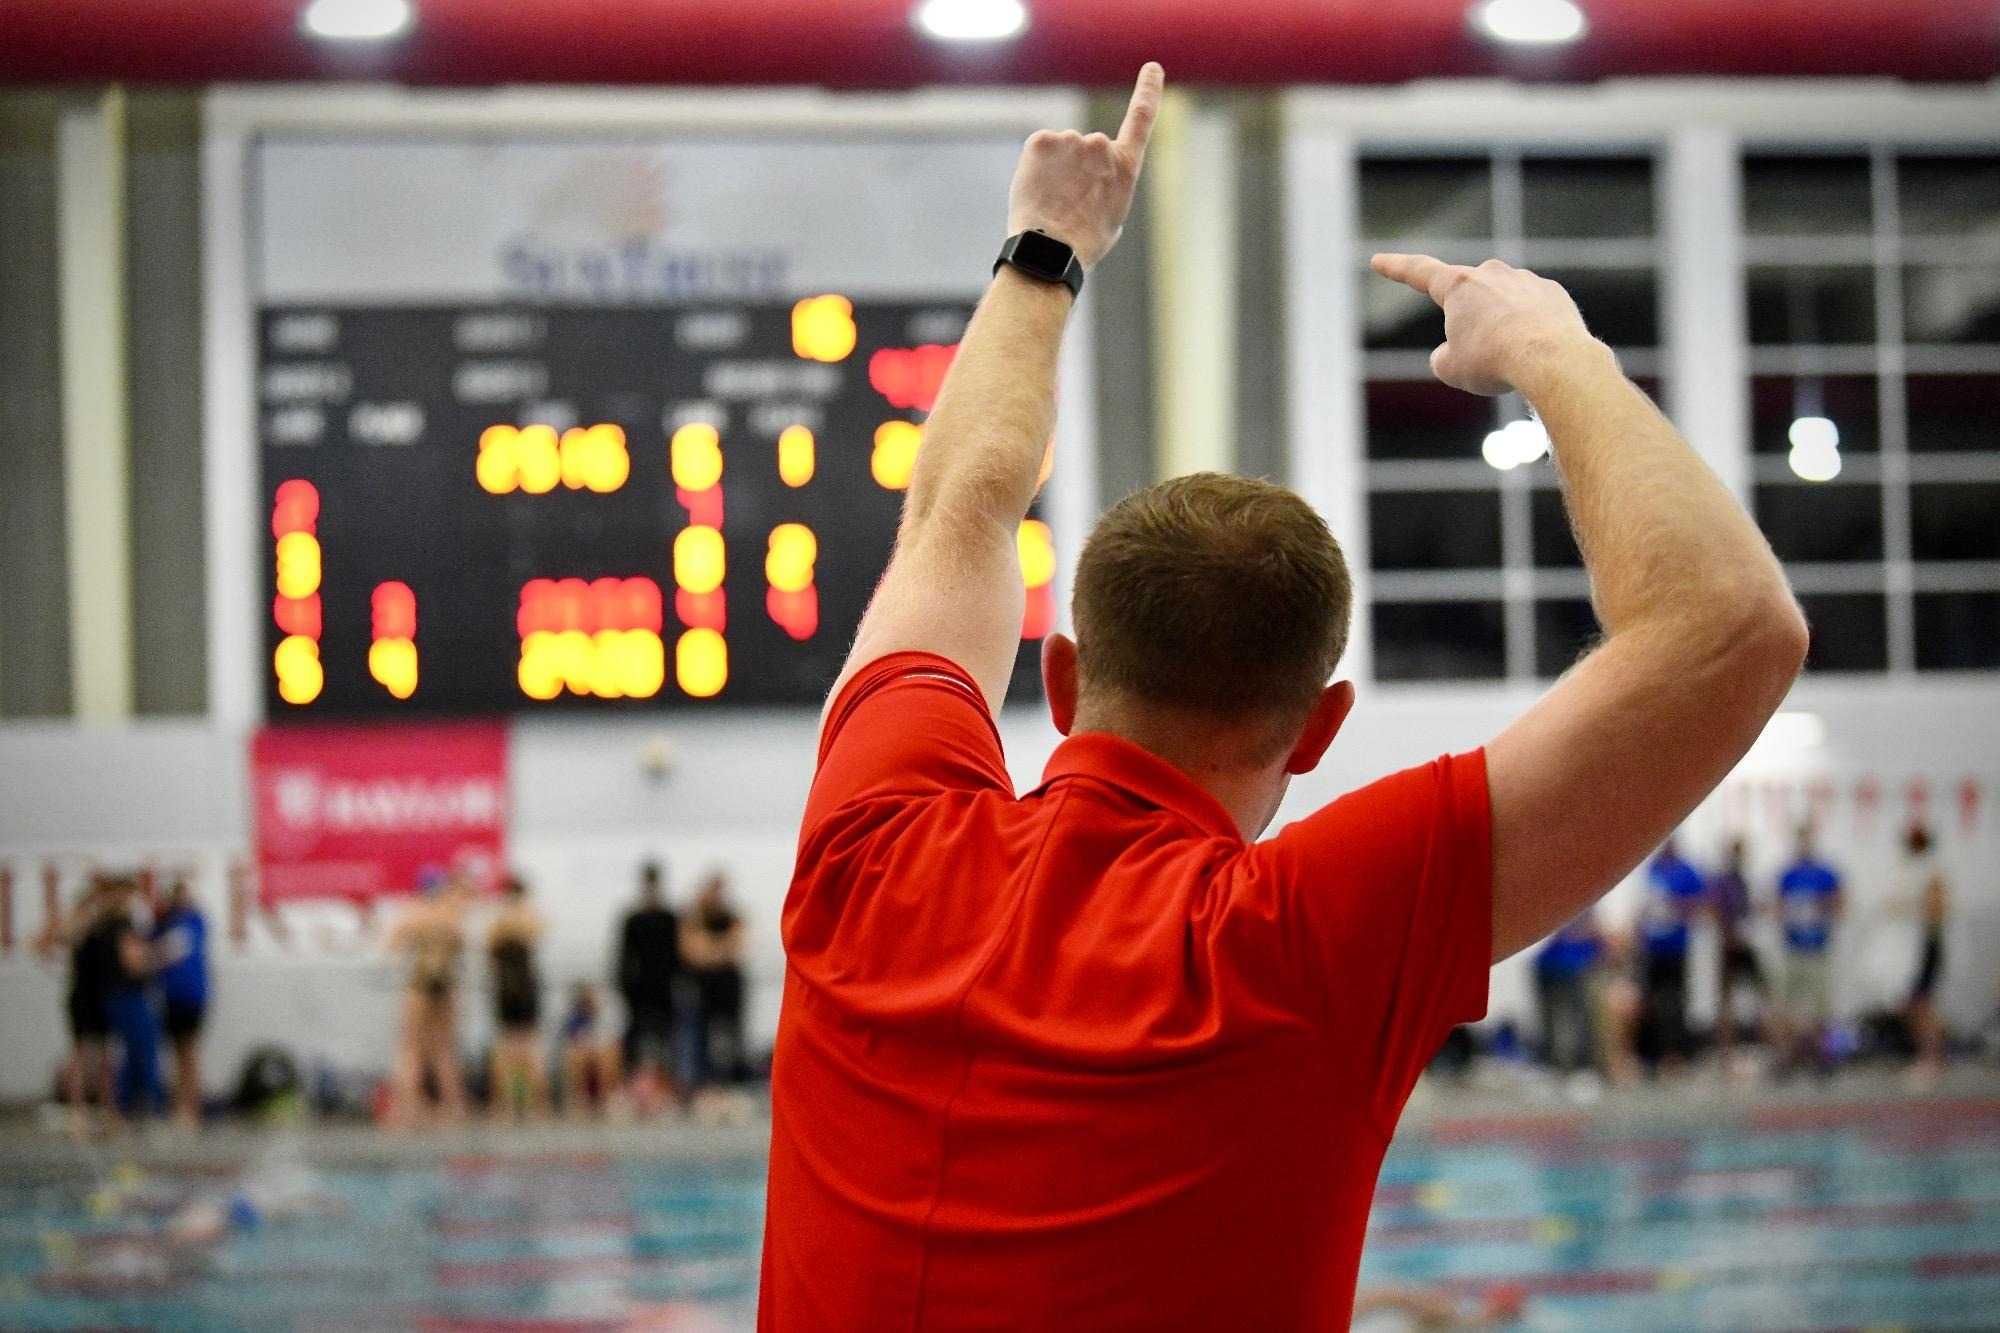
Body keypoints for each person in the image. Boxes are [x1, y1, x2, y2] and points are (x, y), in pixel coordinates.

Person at [759, 62, 1807, 1330]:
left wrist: (1045, 248)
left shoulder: (875, 841)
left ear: (1064, 674)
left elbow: (955, 514)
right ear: (1319, 731)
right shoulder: (1293, 944)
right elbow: (1731, 627)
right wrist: (1548, 348)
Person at [384, 871, 469, 1127]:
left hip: (419, 987)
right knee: (444, 1050)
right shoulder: (451, 916)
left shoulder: (412, 915)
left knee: (411, 1050)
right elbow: (460, 947)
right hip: (445, 986)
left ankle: (406, 1108)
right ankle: (453, 1108)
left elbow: (390, 946)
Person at [40, 878, 117, 1138]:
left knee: (106, 1055)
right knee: (80, 1055)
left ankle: (109, 1110)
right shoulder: (79, 922)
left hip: (103, 994)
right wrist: (87, 916)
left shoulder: (108, 925)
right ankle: (78, 1112)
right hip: (82, 995)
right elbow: (57, 942)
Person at [1773, 823, 1843, 1074]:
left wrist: (1820, 906)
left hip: (1817, 948)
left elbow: (1839, 904)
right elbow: (1777, 907)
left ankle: (1822, 1056)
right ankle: (1788, 1056)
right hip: (1793, 949)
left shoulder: (1825, 873)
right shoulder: (1788, 875)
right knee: (1785, 1006)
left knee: (1820, 1007)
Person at [1636, 837, 1705, 1072]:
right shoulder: (1652, 868)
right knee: (1652, 1002)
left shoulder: (1687, 870)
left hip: (1676, 947)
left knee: (1677, 1002)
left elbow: (1700, 904)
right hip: (1654, 948)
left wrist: (1676, 907)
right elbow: (1645, 905)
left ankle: (1678, 1053)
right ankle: (1654, 1055)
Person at [616, 861, 680, 1110]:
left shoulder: (669, 918)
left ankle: (665, 1086)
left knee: (666, 1039)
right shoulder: (633, 919)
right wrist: (626, 988)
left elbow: (678, 956)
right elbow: (624, 957)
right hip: (639, 990)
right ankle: (636, 1088)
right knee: (636, 1039)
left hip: (664, 989)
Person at [101, 877, 166, 1122]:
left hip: (120, 994)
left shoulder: (111, 927)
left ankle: (131, 1103)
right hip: (128, 995)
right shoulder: (121, 927)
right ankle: (144, 1102)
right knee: (142, 1049)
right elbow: (134, 964)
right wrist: (157, 955)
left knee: (132, 1050)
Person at [486, 877, 549, 1120]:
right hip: (509, 983)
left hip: (522, 983)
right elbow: (492, 941)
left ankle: (534, 1102)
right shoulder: (502, 916)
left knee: (527, 1045)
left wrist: (511, 922)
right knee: (509, 1046)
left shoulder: (519, 915)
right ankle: (507, 1103)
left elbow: (535, 929)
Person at [151, 878, 211, 1129]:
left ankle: (192, 1109)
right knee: (176, 1055)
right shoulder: (164, 924)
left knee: (189, 1052)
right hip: (171, 996)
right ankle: (179, 1107)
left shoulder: (195, 922)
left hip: (192, 997)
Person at [681, 873, 749, 1089]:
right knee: (699, 1034)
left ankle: (731, 1081)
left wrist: (711, 949)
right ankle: (701, 1083)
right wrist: (720, 948)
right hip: (703, 987)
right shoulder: (695, 919)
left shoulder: (733, 917)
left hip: (728, 986)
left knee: (732, 1032)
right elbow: (693, 952)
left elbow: (736, 947)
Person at [1894, 822, 1948, 1087]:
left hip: (1926, 946)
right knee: (1911, 1005)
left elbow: (1937, 909)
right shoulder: (1911, 871)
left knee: (1923, 1005)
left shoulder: (1931, 872)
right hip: (1910, 948)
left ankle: (1932, 1059)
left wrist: (1913, 910)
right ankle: (1924, 1055)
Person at [1708, 837, 1765, 1062]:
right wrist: (1727, 936)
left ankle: (1767, 1047)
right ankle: (1726, 1053)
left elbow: (1749, 911)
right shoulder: (1723, 882)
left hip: (1745, 945)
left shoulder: (1743, 881)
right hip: (1729, 947)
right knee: (1726, 1001)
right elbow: (1714, 911)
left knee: (1761, 995)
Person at [1533, 909, 1602, 1075]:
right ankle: (1551, 1064)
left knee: (1580, 1015)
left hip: (1575, 962)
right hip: (1545, 961)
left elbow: (1591, 925)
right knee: (1547, 1015)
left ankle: (1583, 1066)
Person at [559, 982, 624, 1119]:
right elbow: (572, 1041)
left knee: (608, 1053)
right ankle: (580, 1098)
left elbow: (612, 1040)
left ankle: (606, 1096)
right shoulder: (574, 1019)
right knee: (576, 1054)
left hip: (600, 1056)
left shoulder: (605, 1017)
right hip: (583, 1058)